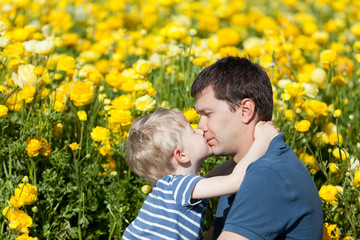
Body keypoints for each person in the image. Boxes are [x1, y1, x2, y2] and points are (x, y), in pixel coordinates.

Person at [191, 56, 323, 240]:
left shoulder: (267, 175)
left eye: (207, 114)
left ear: (246, 111)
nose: (200, 126)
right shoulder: (244, 167)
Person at [122, 107, 279, 240]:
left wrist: (243, 154)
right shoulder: (179, 186)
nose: (199, 130)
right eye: (192, 132)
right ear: (181, 155)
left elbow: (214, 178)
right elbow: (235, 181)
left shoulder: (174, 187)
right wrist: (262, 141)